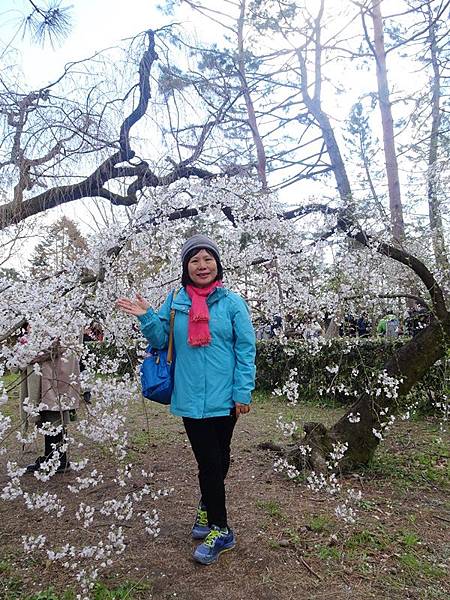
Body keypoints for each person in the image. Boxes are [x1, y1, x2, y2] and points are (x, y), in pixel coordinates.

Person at [116, 234, 256, 565]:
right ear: (186, 267)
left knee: (220, 458)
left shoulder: (232, 303)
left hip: (225, 398)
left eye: (208, 259)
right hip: (191, 397)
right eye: (195, 260)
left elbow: (245, 349)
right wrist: (147, 317)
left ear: (217, 264)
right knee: (209, 463)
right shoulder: (176, 300)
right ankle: (222, 530)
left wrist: (242, 391)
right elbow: (162, 338)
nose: (202, 265)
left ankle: (208, 507)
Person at [16, 328, 81, 474]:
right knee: (49, 416)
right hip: (52, 372)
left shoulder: (66, 316)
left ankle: (58, 460)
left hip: (56, 373)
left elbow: (57, 344)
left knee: (54, 415)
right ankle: (52, 458)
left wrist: (29, 354)